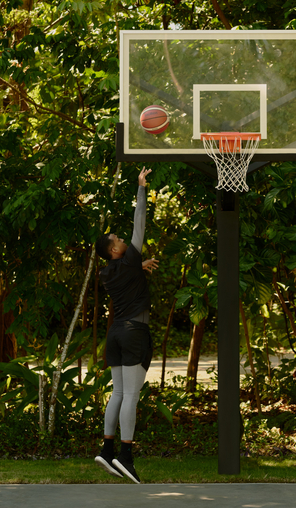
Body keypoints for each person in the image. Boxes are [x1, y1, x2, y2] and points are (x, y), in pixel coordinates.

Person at [94, 166, 158, 484]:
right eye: (117, 239)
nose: (122, 238)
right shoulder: (128, 258)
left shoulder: (108, 272)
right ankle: (126, 457)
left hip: (115, 335)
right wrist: (141, 188)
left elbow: (127, 272)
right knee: (131, 395)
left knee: (118, 392)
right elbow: (140, 223)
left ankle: (106, 451)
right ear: (115, 251)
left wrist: (139, 265)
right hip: (134, 332)